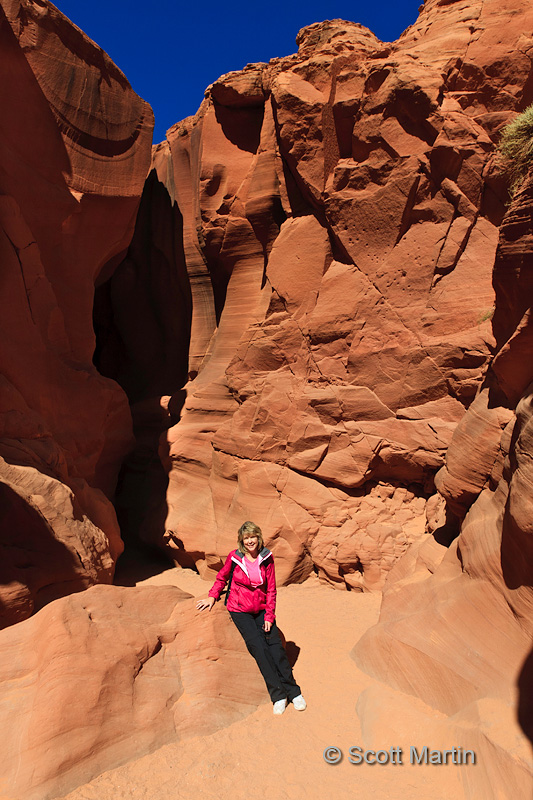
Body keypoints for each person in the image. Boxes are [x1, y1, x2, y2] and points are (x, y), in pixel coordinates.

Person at [196, 520, 306, 715]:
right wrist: (213, 596)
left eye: (253, 537)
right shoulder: (235, 557)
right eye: (246, 538)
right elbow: (222, 577)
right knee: (259, 649)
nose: (250, 541)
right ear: (241, 540)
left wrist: (269, 616)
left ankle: (294, 692)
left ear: (258, 538)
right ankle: (279, 695)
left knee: (276, 649)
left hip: (262, 608)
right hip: (240, 609)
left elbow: (271, 589)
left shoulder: (267, 557)